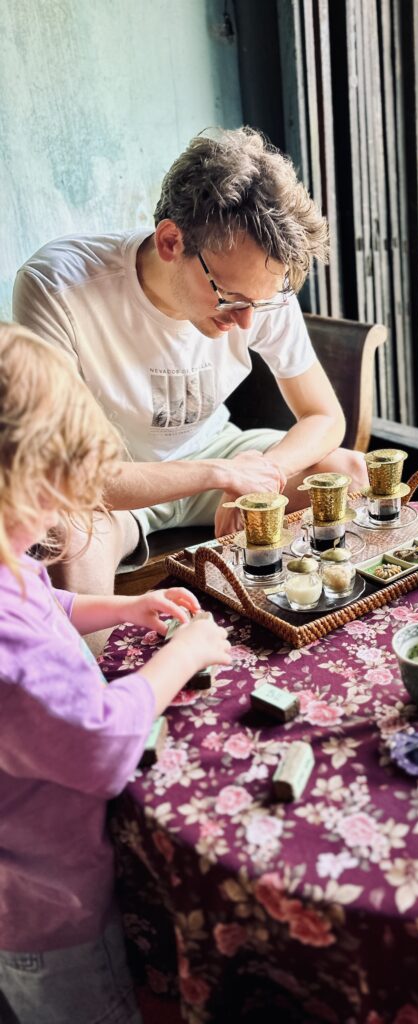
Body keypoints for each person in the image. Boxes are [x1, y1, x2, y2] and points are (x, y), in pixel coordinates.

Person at [13, 127, 367, 607]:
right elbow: (74, 477)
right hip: (118, 483)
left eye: (257, 305)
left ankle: (304, 633)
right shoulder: (58, 287)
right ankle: (99, 684)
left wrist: (260, 475)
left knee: (345, 470)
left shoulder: (257, 287)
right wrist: (221, 475)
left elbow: (325, 416)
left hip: (219, 448)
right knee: (68, 543)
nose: (245, 319)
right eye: (229, 299)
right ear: (170, 241)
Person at [0, 323, 232, 1024]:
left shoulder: (7, 564)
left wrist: (120, 605)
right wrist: (181, 656)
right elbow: (102, 744)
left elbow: (46, 598)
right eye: (54, 494)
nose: (60, 513)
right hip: (51, 909)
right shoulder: (10, 655)